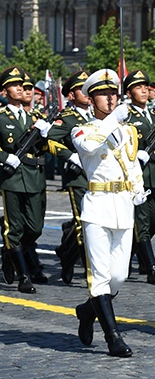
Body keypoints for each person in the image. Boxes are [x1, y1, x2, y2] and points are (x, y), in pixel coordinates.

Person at [70, 69, 147, 358]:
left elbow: (132, 163)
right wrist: (112, 121)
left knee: (119, 277)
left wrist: (138, 188)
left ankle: (87, 311)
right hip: (98, 205)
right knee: (100, 277)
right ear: (91, 99)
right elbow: (88, 147)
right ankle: (113, 338)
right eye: (104, 94)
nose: (111, 98)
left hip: (123, 205)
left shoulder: (127, 131)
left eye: (114, 93)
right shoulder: (83, 129)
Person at [0, 66, 52, 293]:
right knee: (15, 228)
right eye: (14, 85)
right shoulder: (1, 117)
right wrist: (4, 157)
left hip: (34, 177)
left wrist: (44, 135)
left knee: (35, 228)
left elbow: (43, 148)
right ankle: (24, 277)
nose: (20, 88)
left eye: (21, 84)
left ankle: (8, 253)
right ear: (4, 91)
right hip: (11, 178)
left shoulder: (35, 117)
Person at [123, 69, 155, 285]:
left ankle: (128, 256)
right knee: (141, 223)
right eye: (138, 87)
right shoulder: (125, 115)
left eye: (146, 87)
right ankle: (151, 268)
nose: (143, 90)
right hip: (137, 175)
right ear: (129, 92)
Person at [47, 70, 91, 284]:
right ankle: (89, 270)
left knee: (92, 222)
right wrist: (70, 155)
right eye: (81, 89)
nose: (87, 93)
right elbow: (50, 140)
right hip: (80, 177)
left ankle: (67, 254)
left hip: (100, 176)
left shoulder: (98, 115)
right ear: (71, 96)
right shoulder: (67, 118)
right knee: (85, 224)